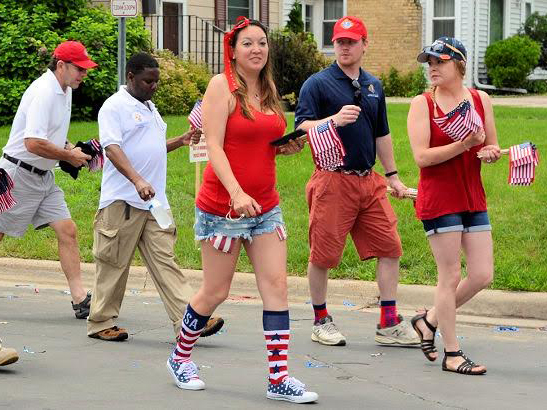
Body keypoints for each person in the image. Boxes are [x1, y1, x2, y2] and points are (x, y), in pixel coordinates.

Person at [165, 18, 317, 404]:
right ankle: (180, 357)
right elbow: (214, 146)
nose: (256, 49)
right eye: (248, 43)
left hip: (265, 206)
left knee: (277, 286)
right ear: (232, 50)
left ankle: (279, 377)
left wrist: (285, 146)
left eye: (262, 43)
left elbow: (263, 143)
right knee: (216, 290)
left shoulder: (268, 91)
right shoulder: (221, 87)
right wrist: (235, 193)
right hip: (223, 208)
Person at [294, 16, 420, 347]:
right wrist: (332, 120)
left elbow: (382, 134)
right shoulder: (317, 84)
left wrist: (392, 177)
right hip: (333, 180)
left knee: (390, 247)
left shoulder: (374, 85)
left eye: (351, 41)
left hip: (369, 180)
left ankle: (388, 323)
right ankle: (321, 321)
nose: (345, 47)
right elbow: (302, 128)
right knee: (323, 255)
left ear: (365, 44)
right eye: (339, 42)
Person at [87, 52, 224, 342]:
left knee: (166, 261)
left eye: (156, 82)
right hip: (122, 201)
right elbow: (111, 148)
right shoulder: (114, 107)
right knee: (113, 264)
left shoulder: (150, 107)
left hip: (154, 201)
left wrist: (181, 140)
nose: (153, 86)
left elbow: (152, 146)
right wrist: (137, 179)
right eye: (148, 81)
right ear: (130, 77)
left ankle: (189, 320)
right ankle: (101, 323)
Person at [407, 37, 499, 375]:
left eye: (439, 61)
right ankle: (452, 353)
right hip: (440, 197)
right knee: (450, 276)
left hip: (472, 194)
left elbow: (489, 145)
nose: (432, 67)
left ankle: (428, 320)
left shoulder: (480, 99)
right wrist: (464, 144)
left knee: (482, 275)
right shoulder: (423, 104)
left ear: (458, 64)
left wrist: (488, 152)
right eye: (428, 61)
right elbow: (422, 158)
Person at [0, 41, 96, 322]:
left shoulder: (64, 90)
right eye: (80, 69)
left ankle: (80, 299)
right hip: (18, 174)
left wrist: (72, 149)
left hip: (44, 177)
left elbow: (49, 137)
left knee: (67, 229)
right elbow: (32, 143)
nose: (83, 75)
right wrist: (68, 154)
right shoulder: (44, 91)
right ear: (62, 65)